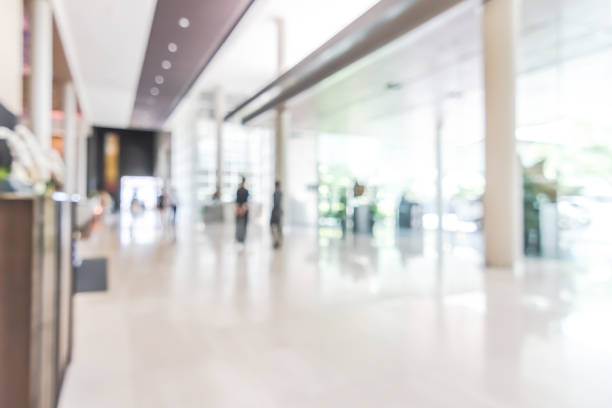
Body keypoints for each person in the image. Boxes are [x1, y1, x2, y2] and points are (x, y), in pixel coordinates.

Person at [235, 177, 249, 243]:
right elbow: (245, 202)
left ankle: (239, 238)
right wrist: (242, 209)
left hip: (241, 208)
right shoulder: (245, 191)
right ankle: (241, 238)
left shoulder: (239, 190)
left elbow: (237, 202)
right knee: (242, 224)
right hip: (243, 208)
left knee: (240, 223)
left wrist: (239, 209)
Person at [270, 180, 283, 249]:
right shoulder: (280, 193)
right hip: (278, 212)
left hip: (276, 212)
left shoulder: (276, 193)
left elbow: (276, 204)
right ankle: (277, 241)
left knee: (274, 227)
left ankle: (276, 242)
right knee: (278, 228)